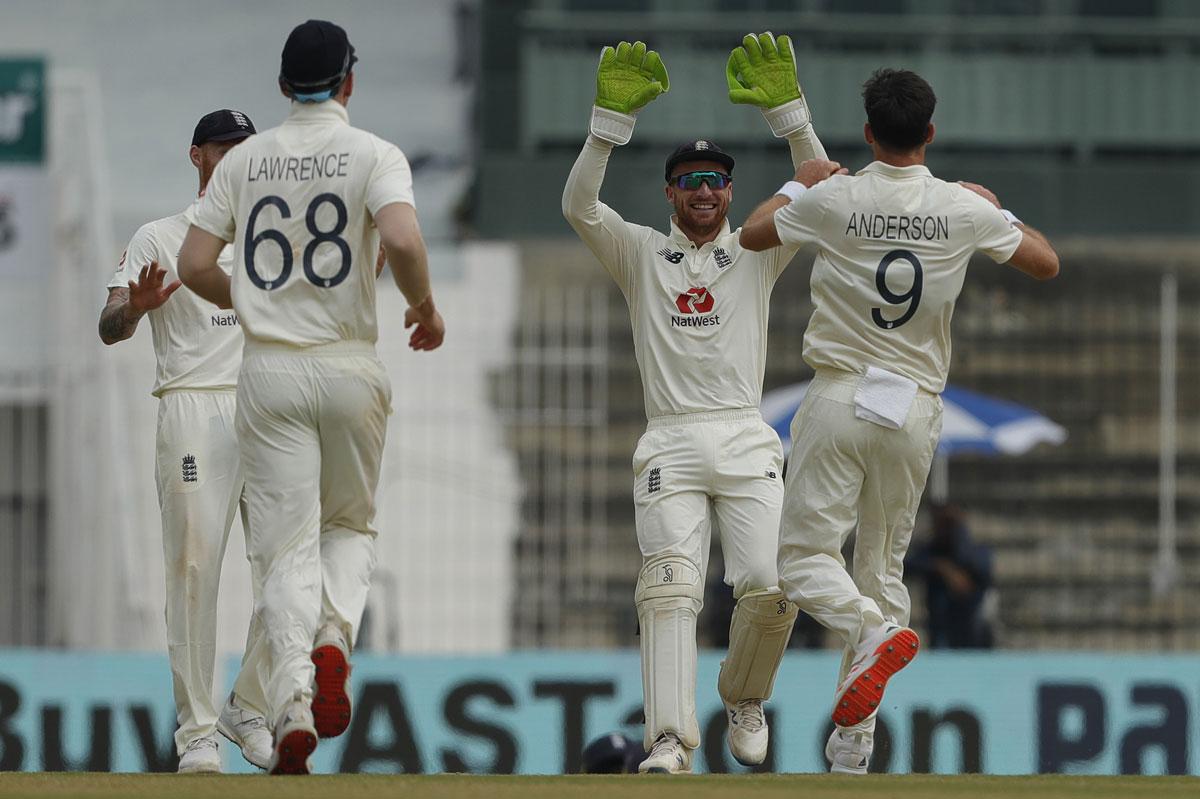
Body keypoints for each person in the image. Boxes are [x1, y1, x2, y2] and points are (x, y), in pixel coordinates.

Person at [739, 67, 1060, 774]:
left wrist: (801, 184)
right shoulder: (958, 205)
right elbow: (1044, 260)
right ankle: (854, 742)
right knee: (881, 566)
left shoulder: (839, 195)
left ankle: (869, 630)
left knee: (801, 561)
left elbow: (755, 234)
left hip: (839, 395)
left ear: (867, 134)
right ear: (931, 133)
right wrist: (996, 210)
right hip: (915, 406)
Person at [177, 19, 444, 775]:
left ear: (284, 86)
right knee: (350, 525)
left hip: (268, 370)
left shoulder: (247, 159)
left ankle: (292, 696)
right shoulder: (375, 153)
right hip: (348, 362)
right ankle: (335, 635)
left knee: (285, 545)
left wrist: (261, 297)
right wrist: (423, 306)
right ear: (349, 82)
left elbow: (197, 263)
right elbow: (401, 239)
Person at [562, 34, 829, 774]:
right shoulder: (641, 252)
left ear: (732, 191)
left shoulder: (757, 246)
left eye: (715, 178)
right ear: (671, 192)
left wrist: (790, 112)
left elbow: (823, 183)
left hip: (746, 436)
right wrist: (605, 127)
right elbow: (579, 203)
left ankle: (744, 695)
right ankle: (671, 740)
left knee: (771, 586)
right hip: (671, 441)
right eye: (690, 180)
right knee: (670, 585)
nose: (704, 189)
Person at [99, 109, 272, 773]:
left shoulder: (275, 236)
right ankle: (198, 730)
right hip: (193, 408)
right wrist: (136, 308)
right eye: (222, 149)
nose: (234, 160)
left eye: (244, 150)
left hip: (267, 403)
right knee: (194, 564)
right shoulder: (160, 236)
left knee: (296, 565)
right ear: (196, 156)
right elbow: (108, 323)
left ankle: (248, 704)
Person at [907, 504, 995, 649]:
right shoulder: (932, 552)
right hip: (941, 622)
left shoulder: (975, 551)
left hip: (972, 621)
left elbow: (982, 571)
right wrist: (941, 568)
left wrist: (960, 535)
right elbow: (908, 565)